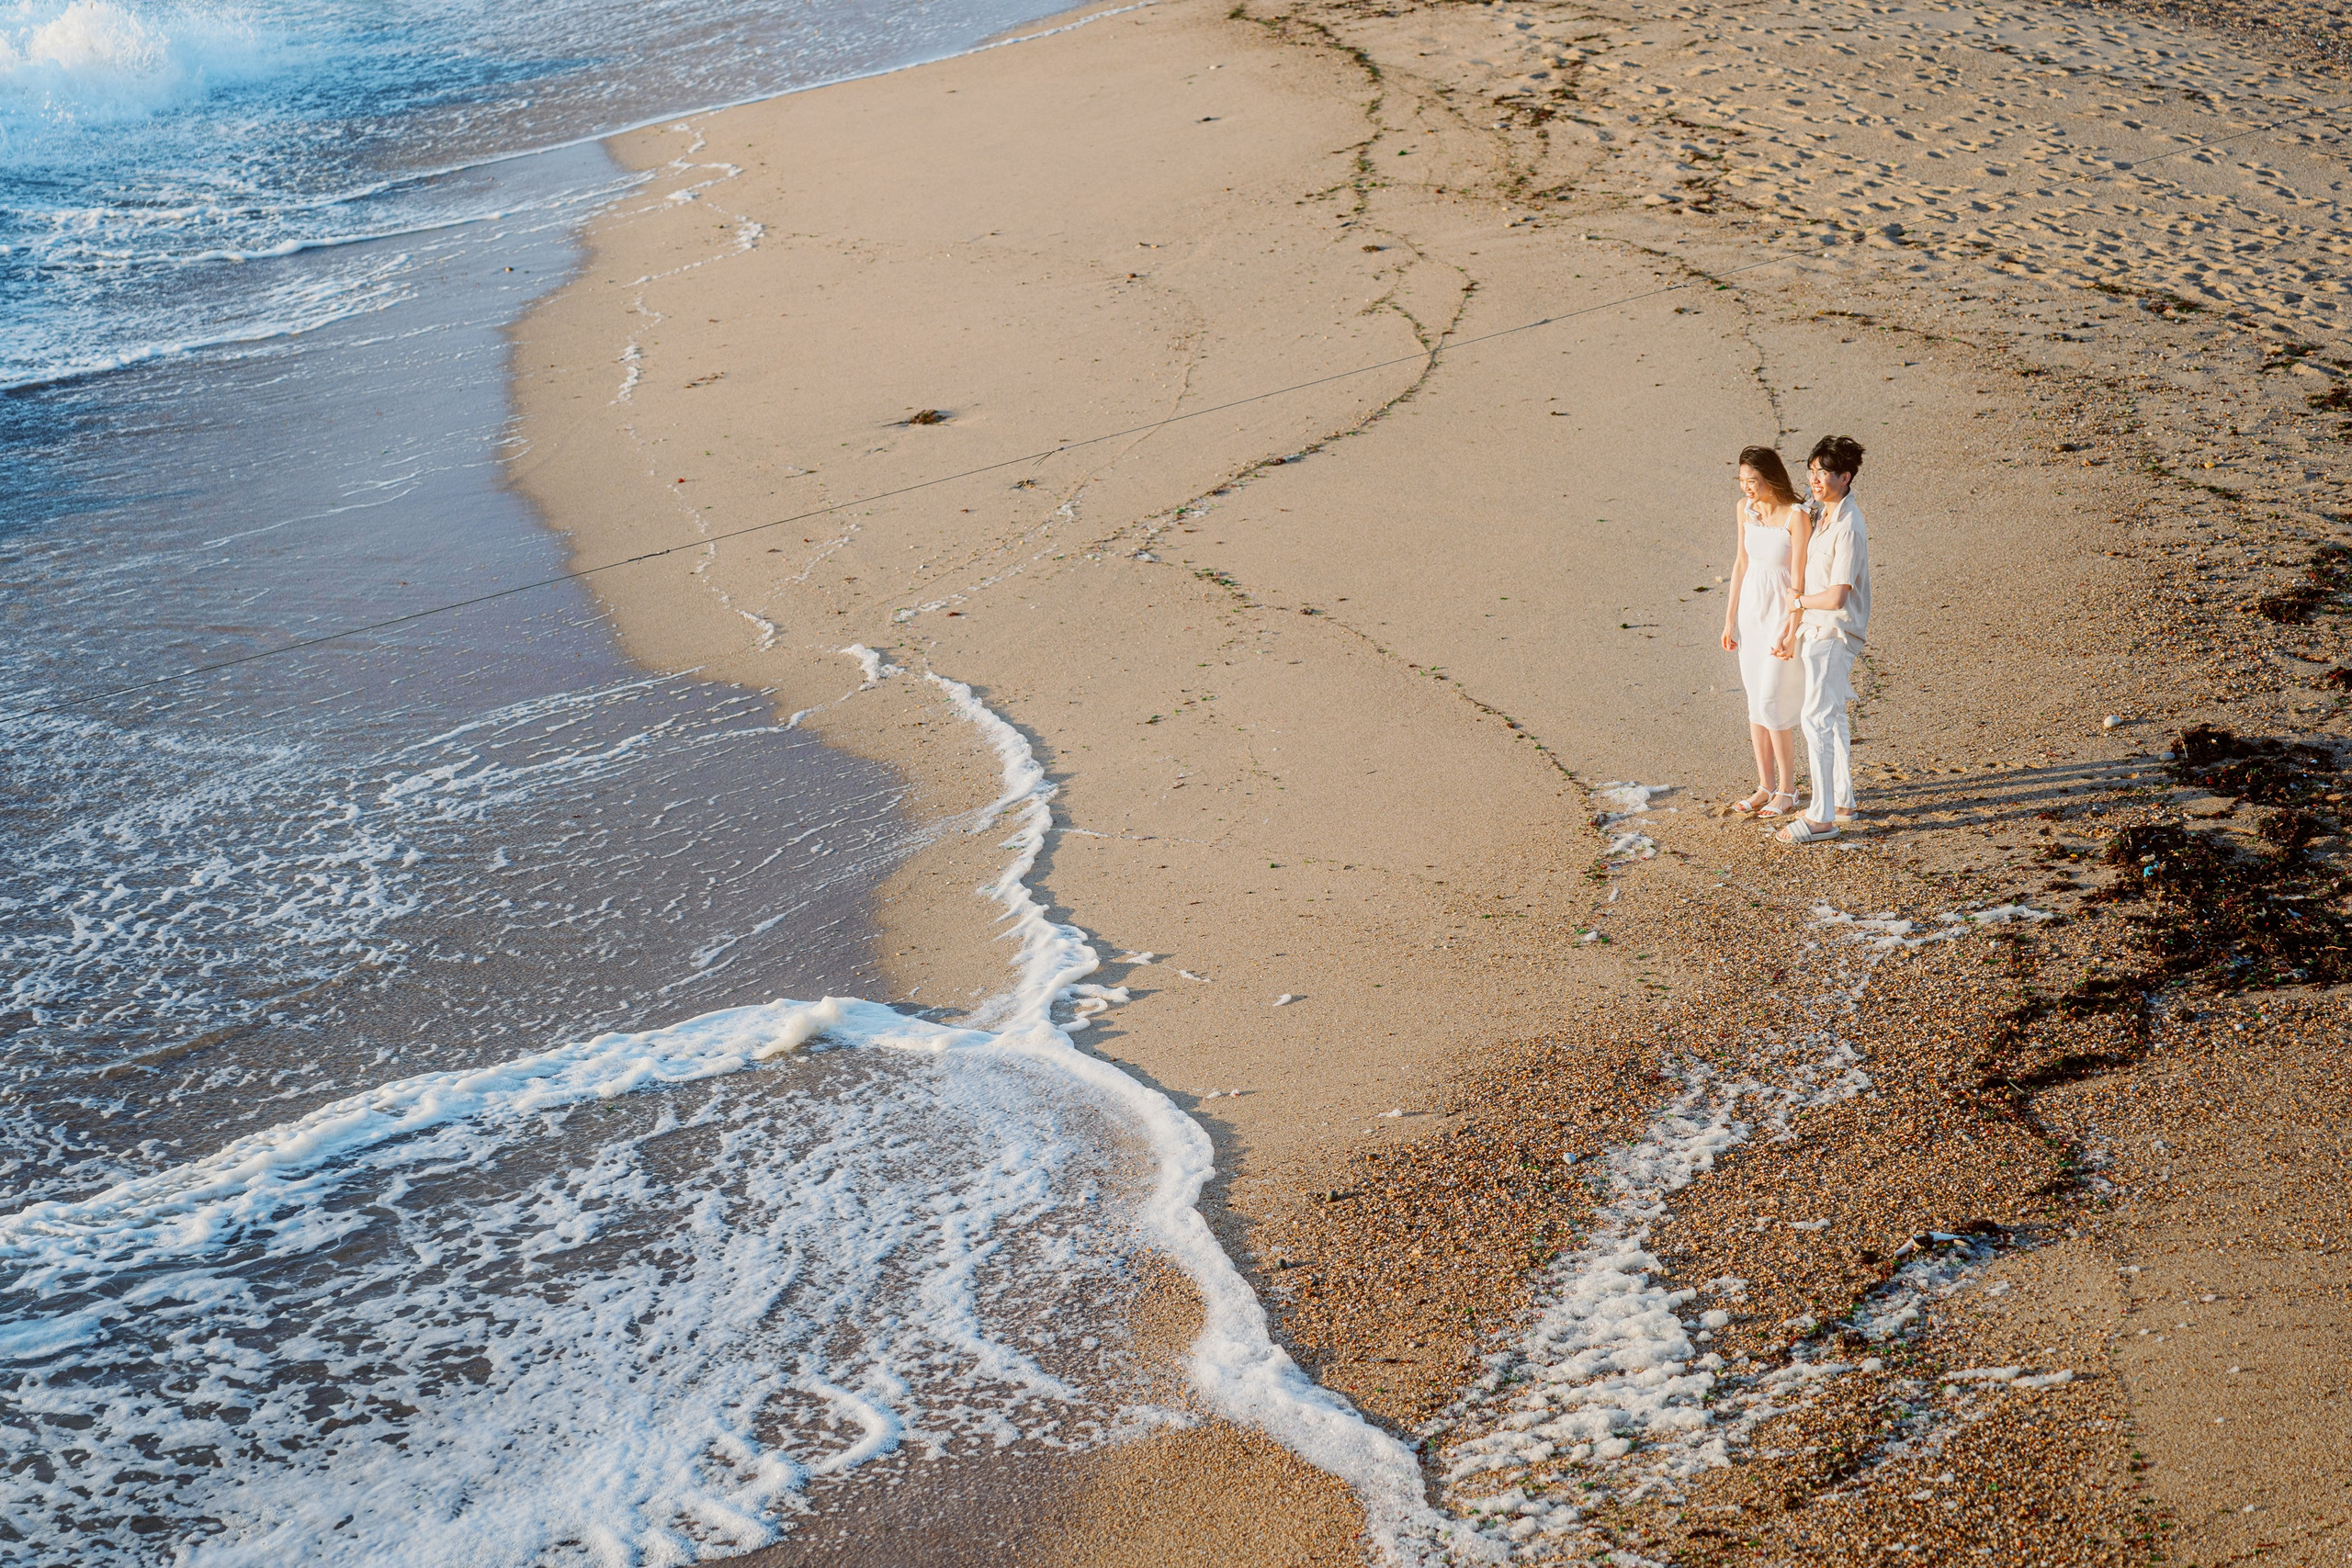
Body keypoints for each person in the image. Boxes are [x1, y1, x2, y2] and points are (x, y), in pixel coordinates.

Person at [1776, 434, 1872, 844]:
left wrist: (1797, 600)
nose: (1815, 480)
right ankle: (1844, 802)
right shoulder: (1824, 513)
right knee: (1831, 715)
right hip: (1816, 628)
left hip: (1835, 630)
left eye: (1824, 473)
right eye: (1812, 472)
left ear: (1845, 477)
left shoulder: (1849, 525)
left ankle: (1821, 817)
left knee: (1815, 717)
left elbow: (1837, 594)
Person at [1719, 446, 1812, 818]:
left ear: (1771, 478)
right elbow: (1741, 563)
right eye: (1741, 481)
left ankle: (1788, 791)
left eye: (1752, 481)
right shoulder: (1745, 510)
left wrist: (1792, 629)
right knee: (1756, 703)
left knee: (1773, 702)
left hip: (1781, 617)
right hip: (1751, 616)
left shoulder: (1797, 517)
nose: (1746, 488)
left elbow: (1800, 580)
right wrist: (1729, 619)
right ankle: (1764, 786)